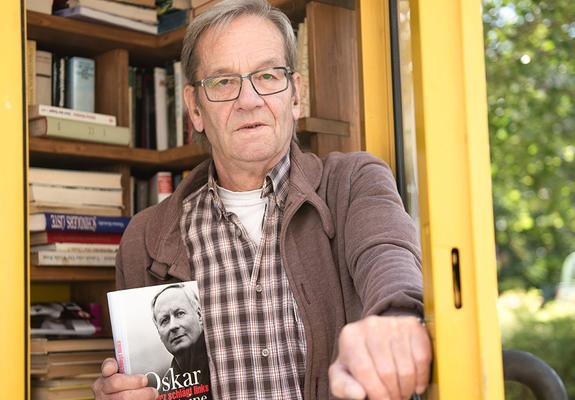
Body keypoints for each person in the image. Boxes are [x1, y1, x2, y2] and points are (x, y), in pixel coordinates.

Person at [92, 0, 432, 399]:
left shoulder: (354, 182)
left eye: (268, 76)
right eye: (223, 82)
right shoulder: (145, 238)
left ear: (295, 95)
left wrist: (395, 319)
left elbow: (388, 254)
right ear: (195, 109)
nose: (249, 100)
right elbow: (147, 382)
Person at [151, 284, 211, 395]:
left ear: (199, 315)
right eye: (164, 320)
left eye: (180, 314)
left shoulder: (224, 363)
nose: (173, 326)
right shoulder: (163, 393)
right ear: (159, 332)